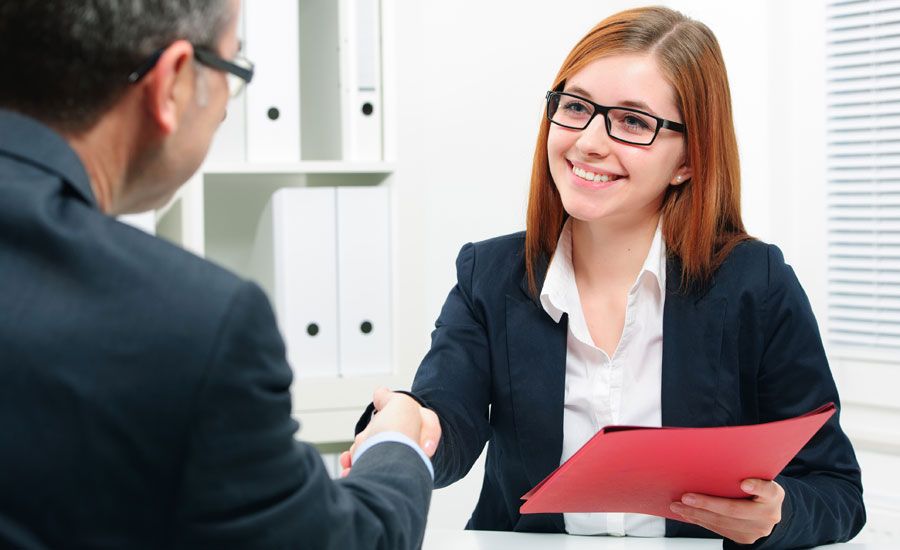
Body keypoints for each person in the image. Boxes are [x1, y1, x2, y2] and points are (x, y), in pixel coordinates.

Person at [348, 5, 864, 549]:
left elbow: (835, 490)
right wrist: (412, 424)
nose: (590, 141)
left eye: (634, 122)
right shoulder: (491, 276)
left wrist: (776, 515)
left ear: (688, 160)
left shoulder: (755, 283)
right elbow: (447, 423)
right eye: (575, 107)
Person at [0, 1, 439, 548]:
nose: (229, 111)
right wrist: (394, 444)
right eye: (235, 70)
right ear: (173, 83)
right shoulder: (193, 324)